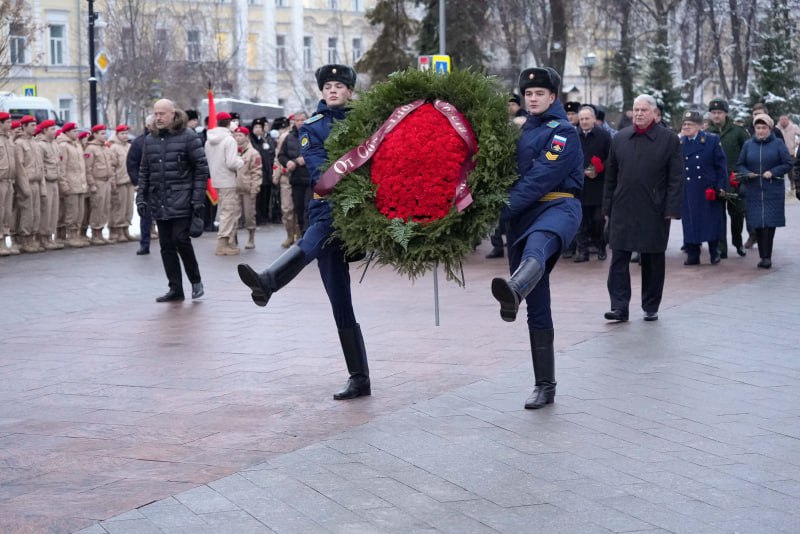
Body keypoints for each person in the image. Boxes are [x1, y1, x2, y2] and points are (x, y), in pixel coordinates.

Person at [237, 64, 372, 401]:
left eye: (339, 86)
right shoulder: (312, 127)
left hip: (356, 214)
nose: (333, 91)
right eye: (328, 86)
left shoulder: (367, 123)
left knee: (314, 238)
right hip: (327, 204)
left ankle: (269, 282)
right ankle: (360, 378)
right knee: (340, 301)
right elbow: (317, 168)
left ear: (350, 91)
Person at [490, 67, 583, 409]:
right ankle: (545, 386)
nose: (532, 99)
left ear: (553, 97)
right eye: (528, 94)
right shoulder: (521, 131)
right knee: (538, 304)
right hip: (521, 216)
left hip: (558, 206)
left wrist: (501, 209)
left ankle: (514, 288)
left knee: (537, 247)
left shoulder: (564, 134)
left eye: (539, 94)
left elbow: (541, 178)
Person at [603, 94, 683, 323]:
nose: (638, 114)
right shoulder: (620, 138)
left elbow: (676, 178)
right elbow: (610, 176)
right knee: (618, 256)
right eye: (635, 109)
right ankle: (619, 307)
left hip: (654, 209)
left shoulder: (669, 140)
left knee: (652, 259)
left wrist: (672, 208)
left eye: (643, 110)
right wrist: (607, 206)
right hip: (623, 208)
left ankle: (650, 306)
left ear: (654, 113)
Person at [136, 99, 208, 302]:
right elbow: (144, 170)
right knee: (166, 245)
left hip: (183, 199)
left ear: (173, 114)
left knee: (181, 240)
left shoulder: (188, 137)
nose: (158, 117)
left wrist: (197, 199)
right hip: (160, 200)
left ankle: (195, 280)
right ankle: (175, 288)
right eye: (155, 113)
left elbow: (201, 169)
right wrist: (141, 198)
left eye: (162, 114)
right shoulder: (150, 140)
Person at [735, 113, 792, 269]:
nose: (760, 131)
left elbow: (788, 163)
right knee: (758, 224)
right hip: (754, 190)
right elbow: (740, 164)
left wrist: (773, 172)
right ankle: (763, 255)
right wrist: (747, 173)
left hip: (772, 190)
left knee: (768, 223)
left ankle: (766, 257)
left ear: (770, 128)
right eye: (758, 128)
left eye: (764, 128)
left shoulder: (778, 144)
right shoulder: (748, 144)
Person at [678, 110, 728, 265]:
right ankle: (693, 254)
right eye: (684, 124)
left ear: (699, 126)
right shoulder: (680, 143)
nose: (686, 127)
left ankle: (715, 251)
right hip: (689, 188)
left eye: (690, 124)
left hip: (708, 189)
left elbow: (721, 166)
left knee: (711, 221)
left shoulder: (711, 140)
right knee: (690, 221)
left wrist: (720, 186)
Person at [705, 98, 750, 258]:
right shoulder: (707, 133)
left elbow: (748, 153)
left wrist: (742, 174)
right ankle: (721, 248)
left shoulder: (738, 131)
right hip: (716, 181)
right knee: (718, 216)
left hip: (734, 179)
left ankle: (737, 242)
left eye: (719, 112)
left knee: (737, 213)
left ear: (726, 113)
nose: (716, 116)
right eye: (714, 113)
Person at [575, 104, 611, 262]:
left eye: (587, 118)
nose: (584, 121)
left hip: (598, 185)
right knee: (581, 221)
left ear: (594, 119)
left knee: (598, 219)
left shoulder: (604, 136)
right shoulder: (573, 135)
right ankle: (582, 251)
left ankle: (600, 245)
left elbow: (611, 158)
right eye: (581, 119)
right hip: (579, 184)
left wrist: (599, 168)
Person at [205, 111, 244, 256]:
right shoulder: (229, 140)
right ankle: (222, 243)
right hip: (228, 179)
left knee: (226, 211)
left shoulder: (209, 139)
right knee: (228, 212)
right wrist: (241, 160)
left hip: (216, 178)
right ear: (229, 123)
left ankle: (230, 242)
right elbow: (232, 163)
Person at [14, 115, 45, 253]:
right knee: (27, 212)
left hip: (36, 182)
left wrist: (42, 186)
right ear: (24, 126)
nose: (35, 127)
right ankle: (24, 240)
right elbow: (19, 166)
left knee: (36, 213)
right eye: (31, 125)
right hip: (26, 182)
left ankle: (32, 238)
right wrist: (24, 186)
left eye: (35, 124)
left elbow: (40, 166)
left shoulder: (35, 143)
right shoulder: (19, 143)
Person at [279, 111, 311, 240]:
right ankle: (301, 237)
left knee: (308, 209)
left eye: (302, 120)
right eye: (297, 120)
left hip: (310, 179)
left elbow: (318, 153)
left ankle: (307, 236)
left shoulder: (312, 134)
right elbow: (281, 155)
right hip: (296, 179)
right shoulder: (289, 137)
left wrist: (301, 160)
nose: (299, 123)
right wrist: (287, 162)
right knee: (298, 209)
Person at [57, 122, 89, 248]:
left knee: (80, 212)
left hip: (80, 184)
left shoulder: (77, 145)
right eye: (74, 131)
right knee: (72, 212)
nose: (76, 133)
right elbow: (62, 167)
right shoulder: (64, 146)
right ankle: (70, 236)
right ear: (67, 132)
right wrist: (64, 183)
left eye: (77, 131)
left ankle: (76, 235)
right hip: (71, 184)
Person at [85, 124, 116, 245]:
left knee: (105, 207)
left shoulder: (106, 148)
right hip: (98, 181)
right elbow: (88, 168)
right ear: (95, 134)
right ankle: (95, 233)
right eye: (102, 133)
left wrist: (112, 181)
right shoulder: (91, 149)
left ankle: (101, 232)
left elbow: (111, 166)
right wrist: (91, 184)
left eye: (105, 133)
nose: (104, 135)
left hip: (107, 181)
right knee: (97, 207)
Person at [127, 116, 154, 255]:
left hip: (164, 184)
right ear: (147, 125)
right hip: (147, 185)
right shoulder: (139, 142)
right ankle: (145, 244)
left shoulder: (167, 139)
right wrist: (137, 182)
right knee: (146, 216)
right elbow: (132, 164)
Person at [36, 119, 64, 250]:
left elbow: (58, 162)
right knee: (46, 211)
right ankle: (43, 237)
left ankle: (50, 236)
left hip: (54, 180)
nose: (54, 131)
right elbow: (40, 166)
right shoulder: (40, 145)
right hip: (46, 180)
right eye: (51, 129)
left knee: (54, 210)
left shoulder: (54, 144)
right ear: (44, 130)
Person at [233, 126, 262, 249]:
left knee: (249, 215)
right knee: (233, 215)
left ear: (246, 137)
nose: (237, 138)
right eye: (236, 135)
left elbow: (257, 171)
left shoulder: (253, 153)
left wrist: (255, 188)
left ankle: (251, 237)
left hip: (247, 188)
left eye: (240, 135)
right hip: (234, 188)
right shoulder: (233, 151)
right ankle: (233, 238)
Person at [270, 116, 295, 247]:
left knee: (299, 209)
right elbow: (278, 157)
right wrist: (276, 174)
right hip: (285, 177)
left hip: (299, 175)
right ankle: (289, 235)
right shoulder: (284, 137)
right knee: (286, 208)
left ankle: (299, 235)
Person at [109, 124, 135, 243]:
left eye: (126, 133)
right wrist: (113, 181)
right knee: (119, 207)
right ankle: (117, 231)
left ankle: (126, 229)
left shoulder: (129, 146)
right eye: (122, 134)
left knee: (128, 207)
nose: (125, 136)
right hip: (119, 181)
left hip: (129, 180)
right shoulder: (114, 147)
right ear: (117, 135)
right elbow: (112, 166)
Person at [249, 117, 276, 225]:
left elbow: (271, 153)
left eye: (260, 127)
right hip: (255, 173)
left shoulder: (265, 140)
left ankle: (263, 216)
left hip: (266, 172)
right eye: (256, 127)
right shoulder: (251, 140)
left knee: (264, 196)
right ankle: (256, 217)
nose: (258, 129)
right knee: (257, 197)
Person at [0, 112, 18, 256]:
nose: (10, 125)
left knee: (7, 213)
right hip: (0, 180)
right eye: (7, 122)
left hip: (9, 181)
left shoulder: (9, 139)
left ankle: (5, 241)